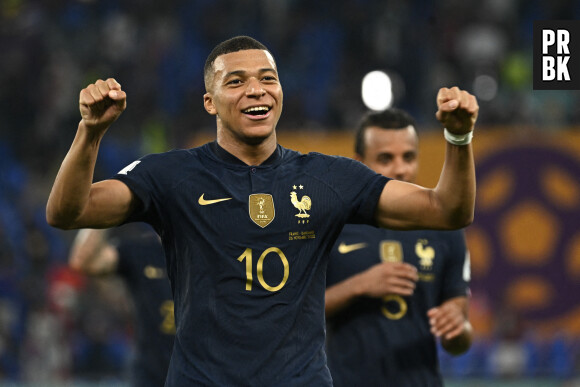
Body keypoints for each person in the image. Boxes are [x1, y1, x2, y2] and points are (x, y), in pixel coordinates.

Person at [46, 35, 478, 385]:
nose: (256, 89)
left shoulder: (329, 178)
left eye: (267, 78)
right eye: (235, 81)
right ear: (209, 102)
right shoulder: (172, 175)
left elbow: (446, 211)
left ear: (280, 92)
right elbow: (69, 211)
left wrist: (459, 141)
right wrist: (90, 132)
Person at [325, 108, 473, 386]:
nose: (400, 169)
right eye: (385, 158)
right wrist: (359, 285)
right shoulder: (333, 227)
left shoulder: (444, 231)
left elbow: (460, 339)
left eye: (408, 157)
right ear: (358, 163)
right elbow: (298, 314)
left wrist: (456, 328)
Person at [68, 225, 174, 387]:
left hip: (200, 371)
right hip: (151, 375)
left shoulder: (209, 254)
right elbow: (83, 261)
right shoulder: (141, 252)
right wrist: (102, 213)